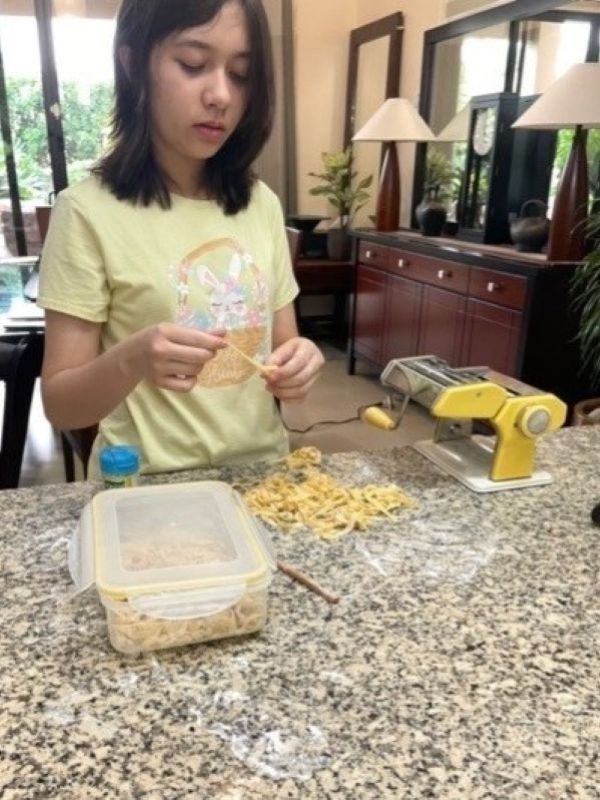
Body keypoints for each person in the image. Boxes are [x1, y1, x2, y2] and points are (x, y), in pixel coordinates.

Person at [38, 0, 324, 479]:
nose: (221, 96)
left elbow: (284, 348)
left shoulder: (262, 204)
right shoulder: (87, 211)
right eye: (193, 65)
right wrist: (131, 358)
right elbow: (62, 406)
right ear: (133, 65)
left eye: (240, 74)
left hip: (262, 478)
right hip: (145, 484)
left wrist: (299, 365)